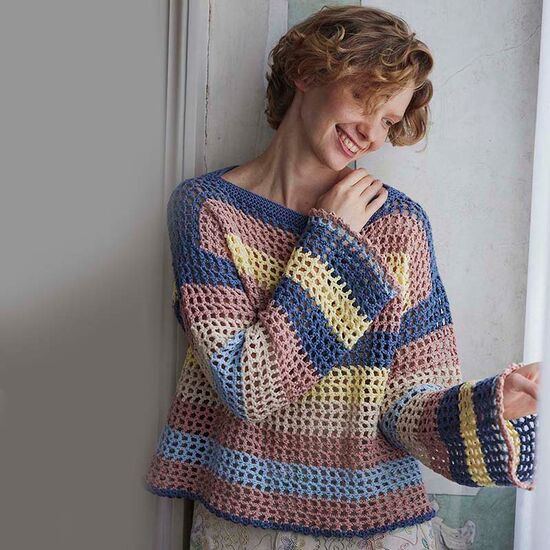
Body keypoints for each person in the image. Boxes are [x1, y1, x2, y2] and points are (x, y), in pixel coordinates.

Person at [144, 5, 540, 549]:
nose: (371, 134)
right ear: (306, 73)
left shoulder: (398, 225)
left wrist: (491, 407)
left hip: (376, 528)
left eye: (388, 120)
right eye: (363, 98)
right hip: (242, 523)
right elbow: (246, 385)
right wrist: (330, 243)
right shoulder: (205, 208)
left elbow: (407, 405)